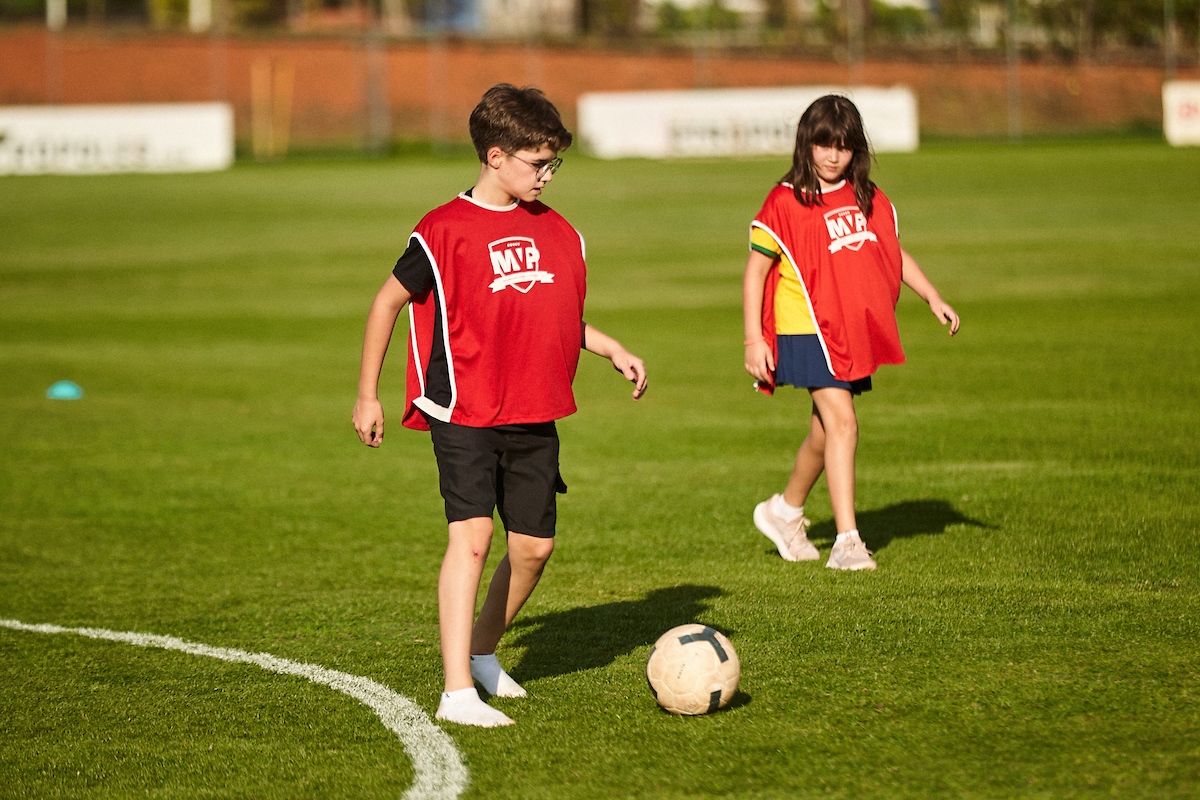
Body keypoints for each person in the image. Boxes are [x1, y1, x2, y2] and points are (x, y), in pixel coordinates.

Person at [352, 84, 647, 727]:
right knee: (475, 537)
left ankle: (483, 652)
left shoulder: (559, 232)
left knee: (534, 549)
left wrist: (610, 348)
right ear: (494, 156)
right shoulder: (442, 230)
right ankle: (457, 691)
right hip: (463, 409)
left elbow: (555, 314)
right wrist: (368, 393)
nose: (546, 175)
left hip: (533, 409)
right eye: (536, 163)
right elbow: (386, 303)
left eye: (552, 164)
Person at [742, 94, 959, 572]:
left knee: (825, 431)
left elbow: (894, 254)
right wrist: (753, 339)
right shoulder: (786, 199)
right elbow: (756, 271)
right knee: (843, 423)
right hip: (806, 328)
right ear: (807, 145)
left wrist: (933, 297)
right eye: (823, 145)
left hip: (847, 327)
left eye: (842, 146)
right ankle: (847, 541)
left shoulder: (869, 197)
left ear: (855, 148)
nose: (832, 156)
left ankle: (784, 512)